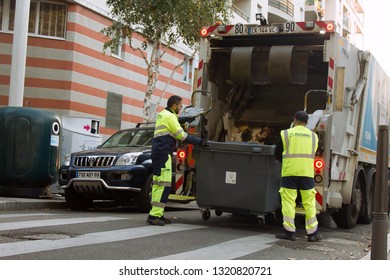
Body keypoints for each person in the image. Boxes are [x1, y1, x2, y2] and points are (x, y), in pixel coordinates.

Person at [147, 95, 207, 226]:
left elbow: (174, 120)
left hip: (158, 153)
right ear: (174, 106)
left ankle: (156, 213)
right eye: (180, 106)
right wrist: (200, 142)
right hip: (163, 154)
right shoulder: (170, 117)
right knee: (164, 185)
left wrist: (186, 119)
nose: (181, 108)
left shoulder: (163, 114)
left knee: (158, 185)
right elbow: (182, 136)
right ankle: (155, 215)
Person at [274, 111, 321, 242]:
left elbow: (277, 153)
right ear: (307, 122)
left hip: (290, 172)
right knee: (309, 203)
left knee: (289, 202)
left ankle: (289, 232)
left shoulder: (286, 134)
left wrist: (288, 161)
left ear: (294, 120)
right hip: (306, 173)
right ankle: (313, 233)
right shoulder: (313, 136)